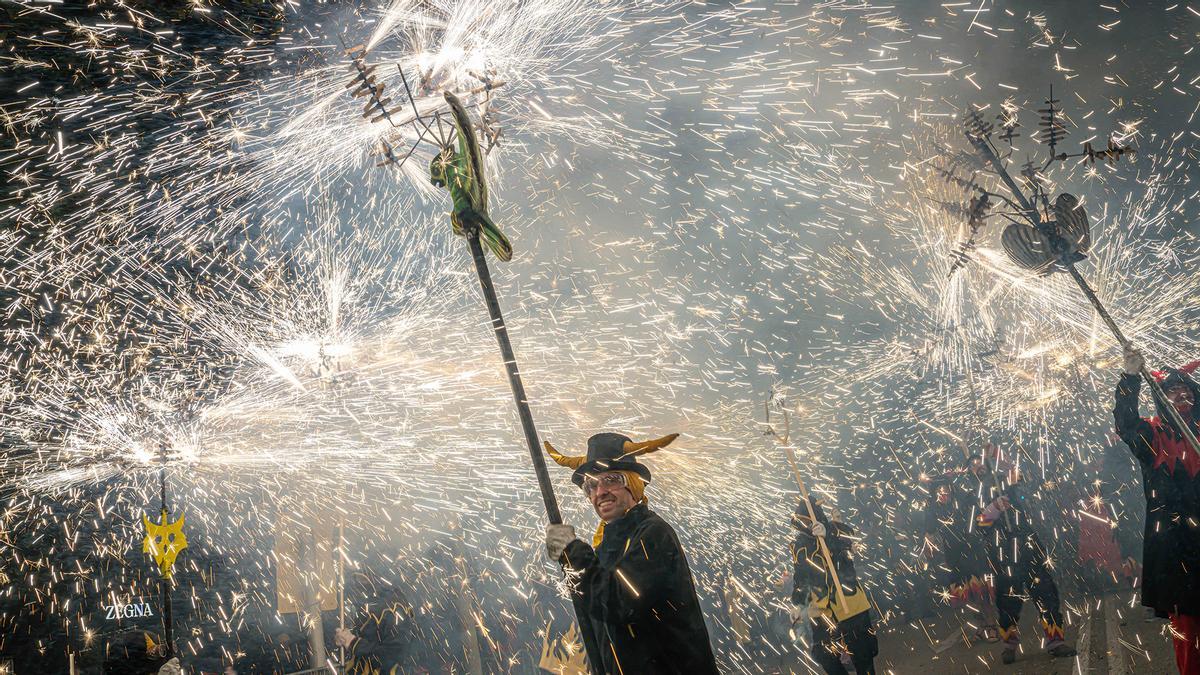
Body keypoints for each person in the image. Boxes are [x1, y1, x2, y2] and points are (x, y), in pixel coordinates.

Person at [542, 432, 719, 675]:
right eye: (591, 485)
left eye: (611, 480)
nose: (599, 491)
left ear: (633, 484)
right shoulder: (605, 545)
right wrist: (569, 563)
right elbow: (600, 615)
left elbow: (619, 602)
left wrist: (574, 553)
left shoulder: (652, 534)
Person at [1115, 348, 1200, 673]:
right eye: (1173, 389)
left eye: (1187, 389)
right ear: (1162, 397)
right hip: (1177, 554)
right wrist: (1130, 378)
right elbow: (1125, 424)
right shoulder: (1153, 434)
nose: (1182, 394)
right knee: (1188, 637)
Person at [975, 467, 1076, 665]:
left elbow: (1032, 505)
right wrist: (994, 507)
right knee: (1007, 604)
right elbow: (979, 525)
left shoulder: (1022, 487)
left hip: (1031, 553)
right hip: (1005, 560)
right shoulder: (987, 489)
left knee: (1047, 596)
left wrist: (1014, 491)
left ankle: (1055, 642)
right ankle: (1009, 645)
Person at [789, 499, 877, 675]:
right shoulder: (798, 545)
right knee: (824, 654)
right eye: (803, 522)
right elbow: (800, 576)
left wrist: (827, 535)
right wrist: (798, 604)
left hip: (850, 603)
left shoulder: (836, 530)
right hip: (822, 610)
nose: (806, 525)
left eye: (808, 520)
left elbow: (852, 548)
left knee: (863, 654)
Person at [920, 453, 999, 641]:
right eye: (939, 491)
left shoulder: (963, 498)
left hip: (972, 550)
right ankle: (982, 625)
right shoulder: (931, 508)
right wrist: (927, 549)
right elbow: (929, 532)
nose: (943, 494)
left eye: (945, 489)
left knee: (982, 592)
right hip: (954, 555)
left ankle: (992, 626)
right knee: (969, 596)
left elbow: (981, 516)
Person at [334, 571, 416, 675]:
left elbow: (393, 654)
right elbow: (365, 637)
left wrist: (353, 643)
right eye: (356, 580)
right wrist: (344, 639)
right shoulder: (367, 602)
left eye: (363, 579)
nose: (358, 585)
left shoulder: (394, 608)